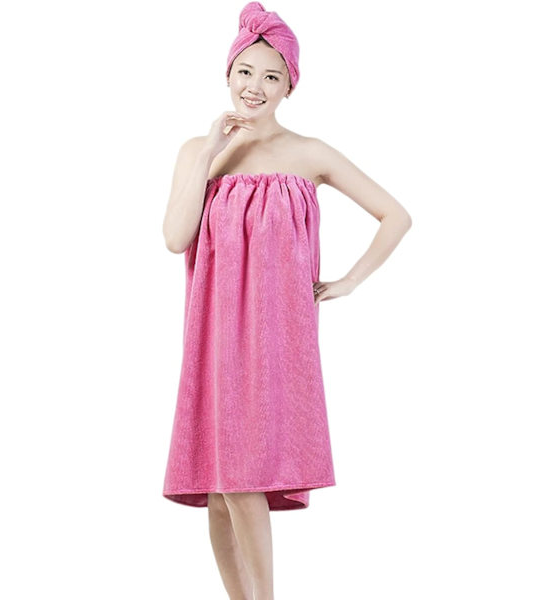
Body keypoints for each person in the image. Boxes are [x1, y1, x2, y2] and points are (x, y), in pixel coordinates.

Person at [161, 3, 412, 599]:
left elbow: (395, 216)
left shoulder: (310, 153)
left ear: (289, 86)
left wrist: (348, 281)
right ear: (228, 73)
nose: (255, 86)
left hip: (275, 342)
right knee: (219, 489)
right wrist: (208, 153)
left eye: (272, 76)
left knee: (243, 480)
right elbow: (175, 238)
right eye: (245, 72)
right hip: (213, 338)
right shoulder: (197, 150)